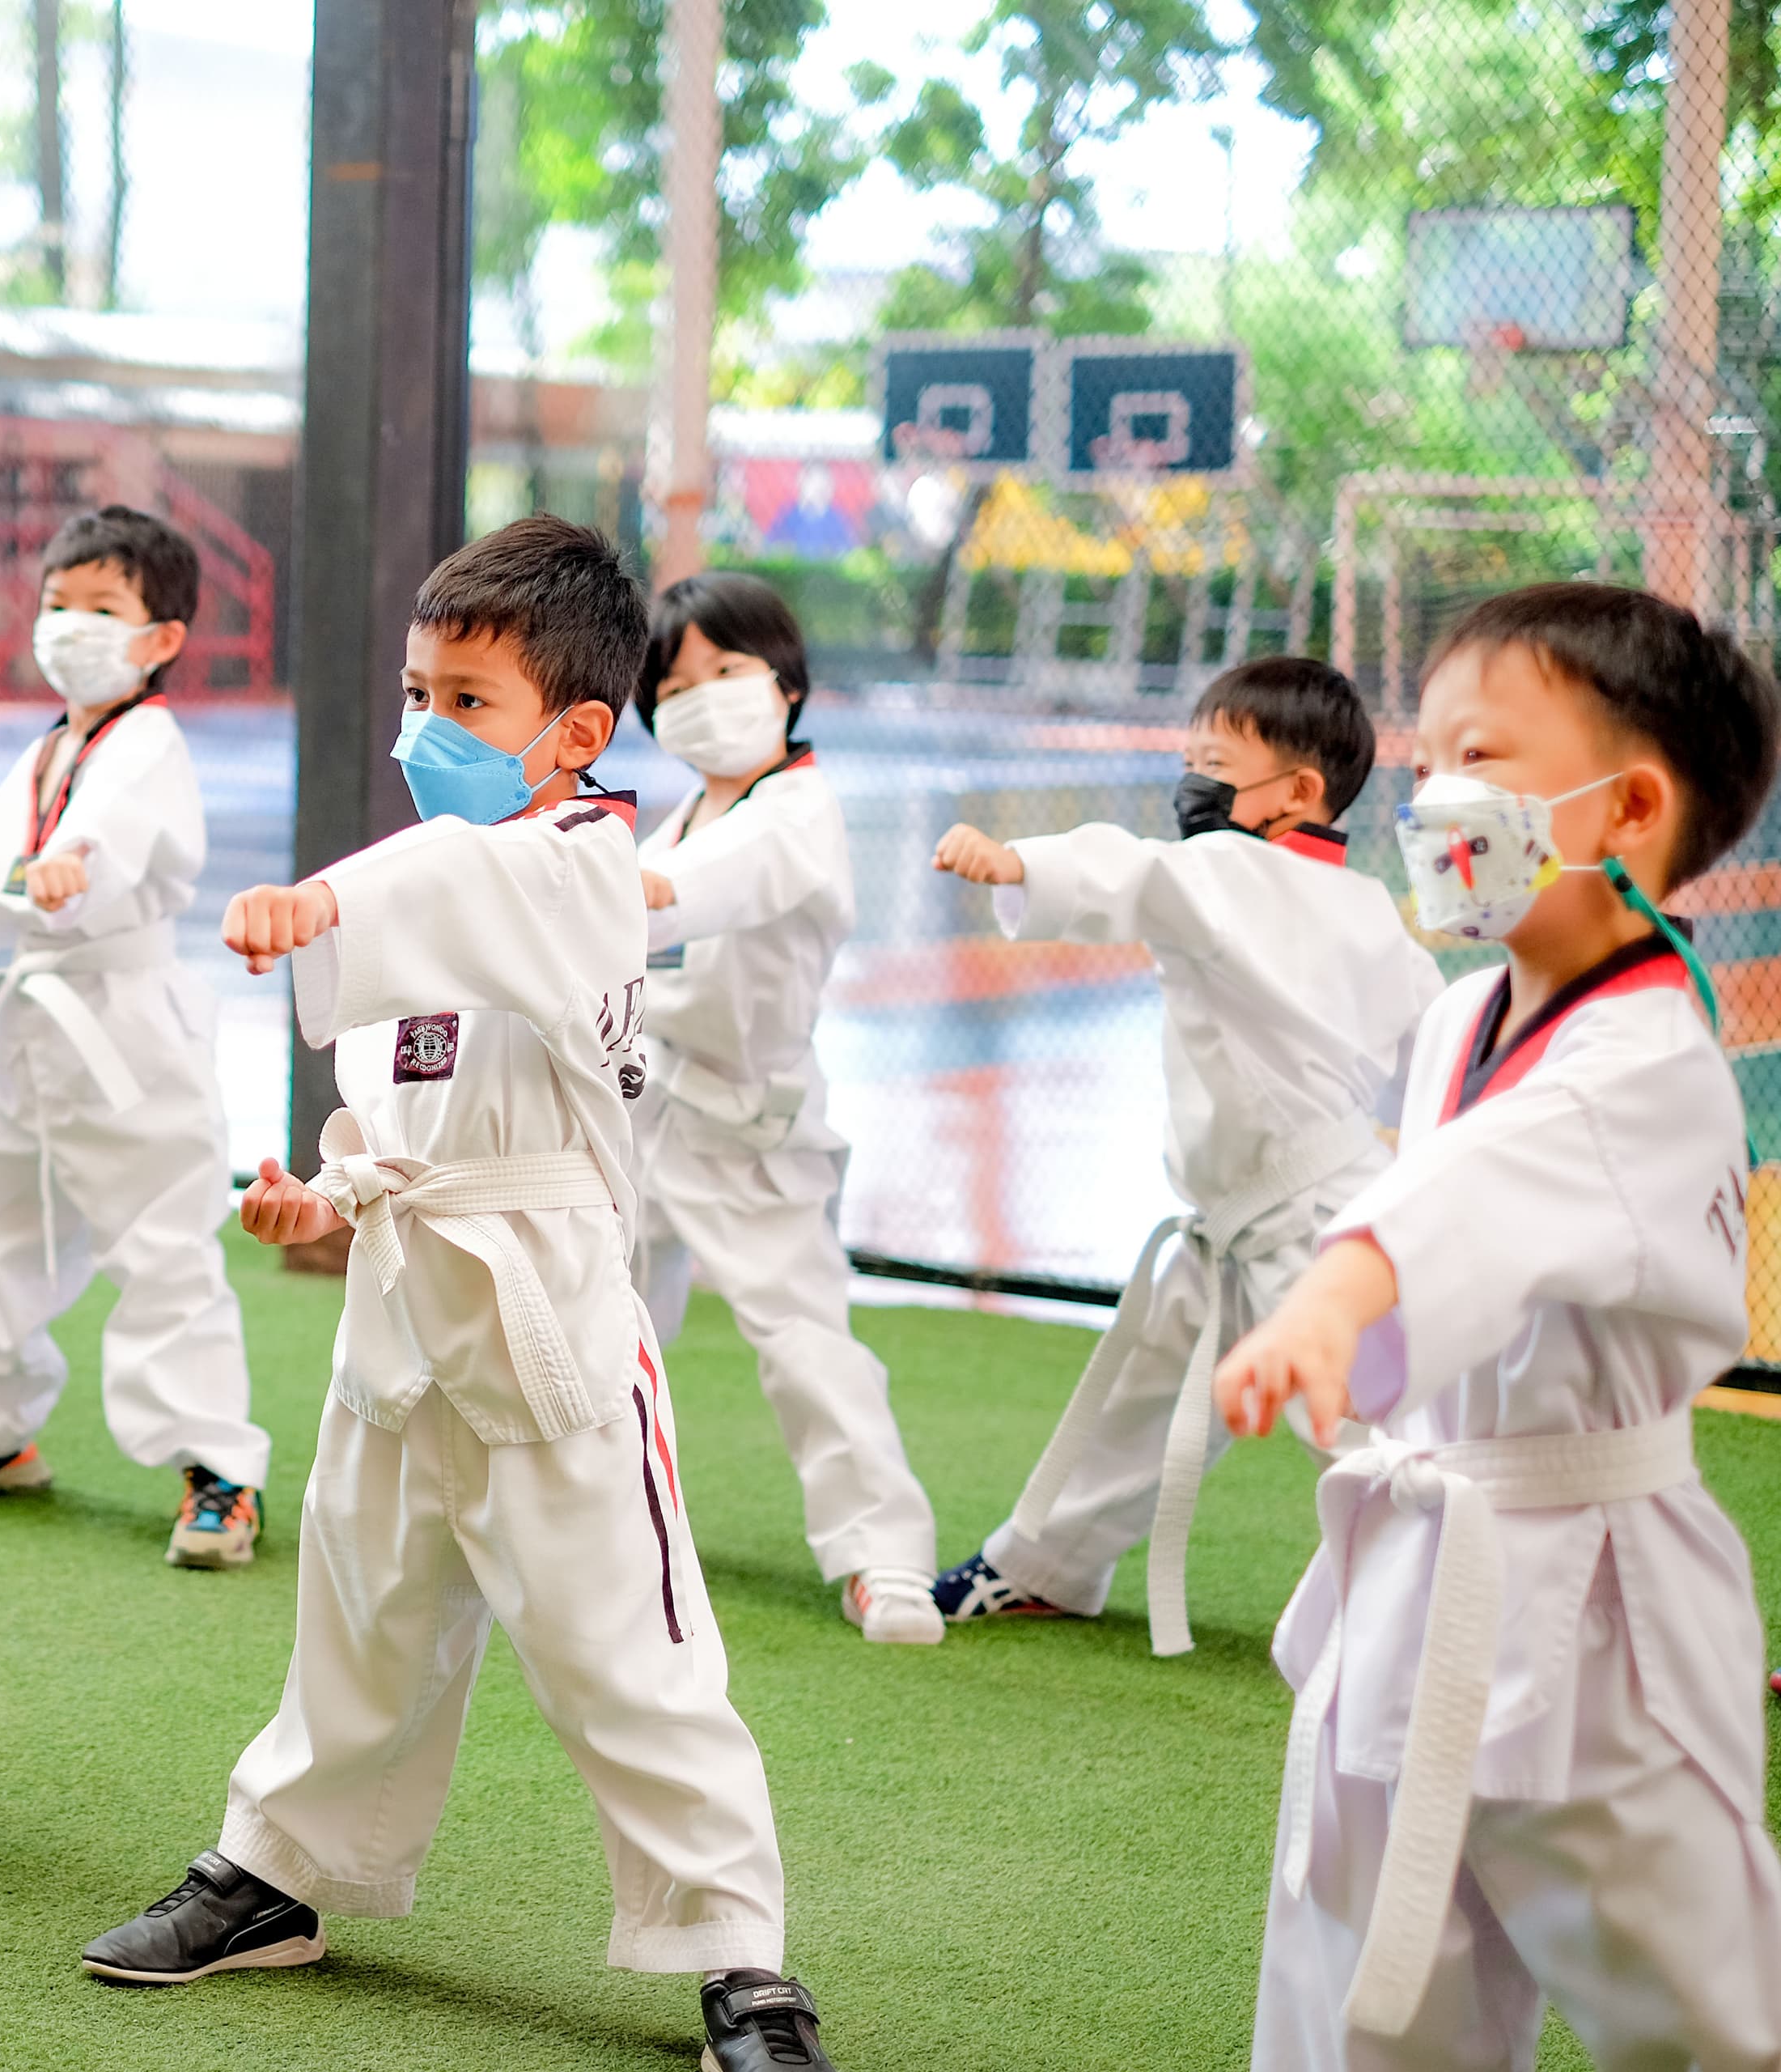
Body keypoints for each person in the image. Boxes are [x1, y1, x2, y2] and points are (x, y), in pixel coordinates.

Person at [81, 516, 842, 2072]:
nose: (429, 729)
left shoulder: (584, 871)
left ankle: (740, 1962)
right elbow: (402, 1104)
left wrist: (323, 895)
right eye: (418, 691)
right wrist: (330, 1186)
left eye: (470, 701)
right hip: (405, 1304)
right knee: (360, 1617)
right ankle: (279, 1871)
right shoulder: (434, 889)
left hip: (545, 1322)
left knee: (626, 1648)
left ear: (575, 730)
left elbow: (448, 883)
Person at [1214, 582, 1781, 2069]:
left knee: (1706, 2008)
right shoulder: (1471, 1018)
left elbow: (1467, 1198)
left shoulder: (1648, 1060)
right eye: (1433, 755)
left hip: (1598, 1620)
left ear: (1631, 808)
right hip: (1423, 1583)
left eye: (1485, 756)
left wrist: (1336, 1298)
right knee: (1357, 1987)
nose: (1439, 794)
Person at [927, 656, 1442, 1654]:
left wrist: (1021, 862)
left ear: (1300, 792)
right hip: (1253, 1216)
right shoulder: (1371, 910)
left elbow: (1135, 870)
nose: (1192, 782)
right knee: (1148, 1388)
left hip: (1308, 1221)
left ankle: (1460, 1591)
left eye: (1216, 762)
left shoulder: (1226, 868)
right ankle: (1046, 1563)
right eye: (1190, 758)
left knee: (1367, 1420)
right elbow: (1430, 1052)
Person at [0, 505, 271, 1565]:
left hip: (122, 1023)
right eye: (57, 604)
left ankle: (219, 1473)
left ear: (161, 639)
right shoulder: (51, 745)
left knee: (160, 1245)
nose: (69, 625)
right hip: (33, 1020)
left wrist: (67, 871)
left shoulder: (145, 743)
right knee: (7, 1231)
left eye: (101, 609)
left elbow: (100, 850)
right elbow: (9, 867)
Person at [630, 571, 941, 1645]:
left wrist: (608, 894)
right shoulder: (685, 812)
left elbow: (708, 885)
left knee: (804, 1339)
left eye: (728, 671)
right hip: (644, 1106)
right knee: (590, 1314)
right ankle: (593, 1514)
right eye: (677, 682)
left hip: (747, 1125)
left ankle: (883, 1556)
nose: (704, 695)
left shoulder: (794, 815)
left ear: (787, 683)